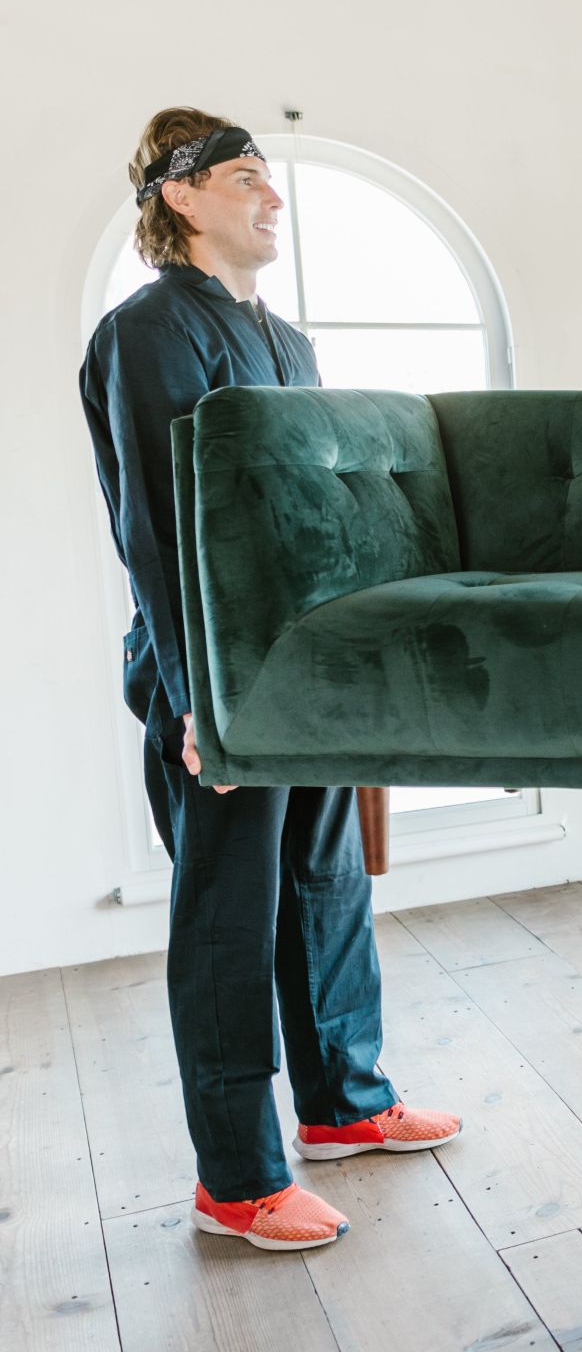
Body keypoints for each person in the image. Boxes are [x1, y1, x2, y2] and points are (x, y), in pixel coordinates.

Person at [80, 108, 462, 1252]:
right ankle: (238, 1178)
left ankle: (345, 1104)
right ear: (180, 195)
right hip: (216, 677)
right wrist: (200, 693)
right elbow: (156, 529)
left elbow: (320, 516)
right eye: (248, 177)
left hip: (305, 665)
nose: (273, 197)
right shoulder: (144, 336)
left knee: (327, 884)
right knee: (228, 919)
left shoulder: (289, 343)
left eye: (272, 178)